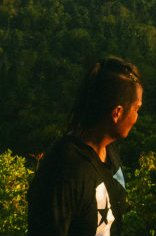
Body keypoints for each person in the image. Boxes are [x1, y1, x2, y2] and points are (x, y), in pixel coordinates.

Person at [28, 57, 143, 236]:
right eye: (136, 109)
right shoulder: (63, 169)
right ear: (117, 113)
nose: (137, 117)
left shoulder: (109, 150)